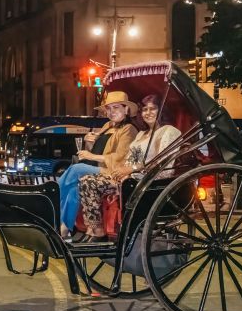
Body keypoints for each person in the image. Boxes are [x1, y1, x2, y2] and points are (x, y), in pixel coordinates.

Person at [78, 93, 182, 240]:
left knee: (88, 181)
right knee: (85, 179)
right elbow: (129, 160)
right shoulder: (141, 134)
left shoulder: (169, 131)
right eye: (145, 109)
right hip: (128, 180)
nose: (148, 113)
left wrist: (132, 169)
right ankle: (94, 228)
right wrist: (121, 171)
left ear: (161, 110)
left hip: (148, 182)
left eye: (153, 109)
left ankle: (97, 231)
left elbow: (164, 163)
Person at [56, 91, 139, 239]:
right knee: (74, 188)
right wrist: (89, 144)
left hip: (112, 171)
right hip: (96, 167)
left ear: (126, 110)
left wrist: (91, 155)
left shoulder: (129, 129)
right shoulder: (107, 126)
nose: (111, 112)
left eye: (116, 107)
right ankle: (64, 227)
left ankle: (50, 197)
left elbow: (120, 158)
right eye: (109, 108)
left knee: (76, 169)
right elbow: (95, 153)